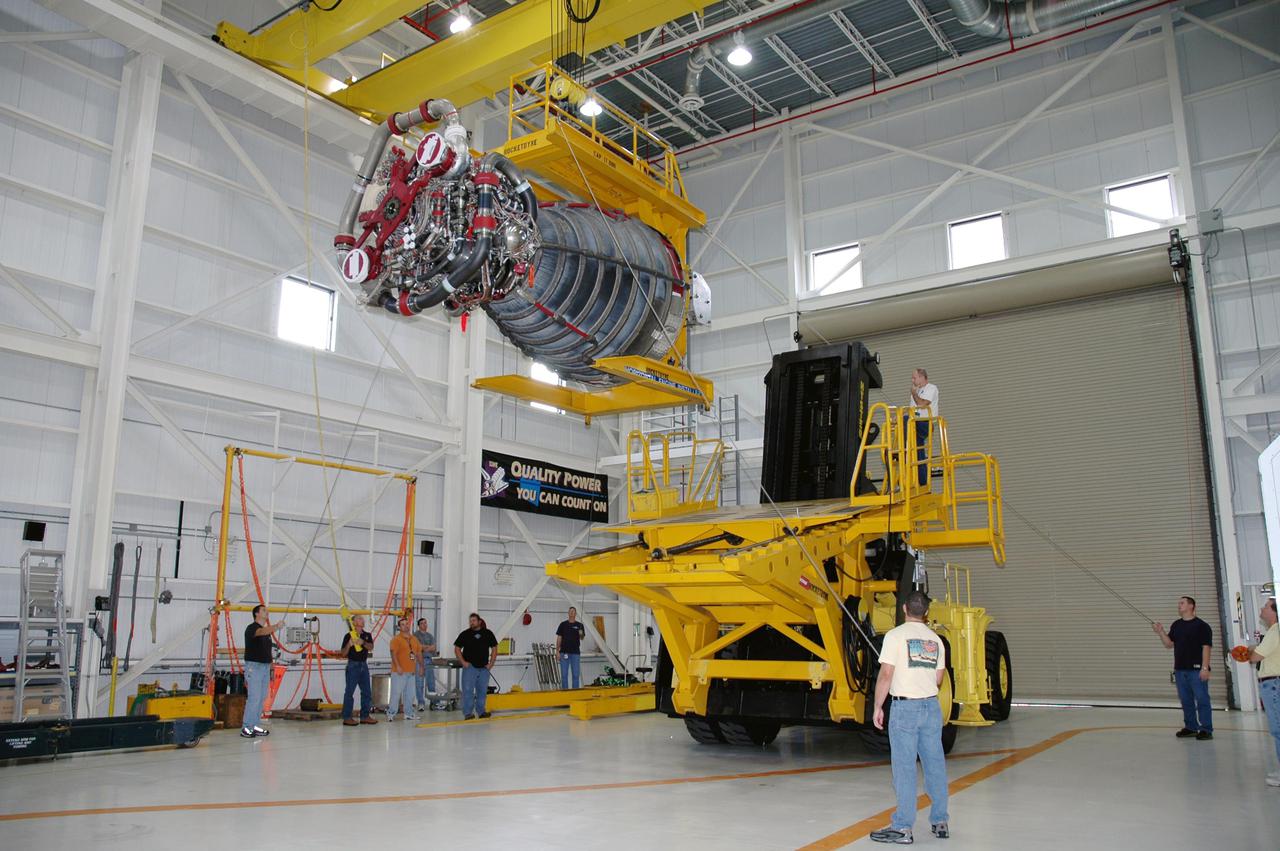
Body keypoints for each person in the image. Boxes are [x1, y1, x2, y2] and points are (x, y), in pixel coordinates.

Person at [870, 590, 950, 845]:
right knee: (934, 764)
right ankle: (940, 821)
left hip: (905, 709)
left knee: (904, 768)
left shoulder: (895, 636)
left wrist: (877, 707)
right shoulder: (935, 640)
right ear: (926, 613)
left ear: (904, 608)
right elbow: (938, 679)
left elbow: (885, 675)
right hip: (930, 708)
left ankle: (903, 827)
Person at [1152, 596, 1214, 740]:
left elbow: (1206, 647)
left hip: (1197, 670)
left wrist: (1205, 667)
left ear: (1191, 606)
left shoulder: (1202, 626)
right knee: (1186, 700)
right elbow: (1169, 644)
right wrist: (1161, 631)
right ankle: (1191, 727)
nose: (1179, 605)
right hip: (1180, 669)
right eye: (1179, 603)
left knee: (1202, 699)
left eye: (1182, 603)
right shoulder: (1176, 625)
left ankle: (1206, 729)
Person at [1238, 596, 1278, 787]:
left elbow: (1255, 657)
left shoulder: (1275, 631)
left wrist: (1249, 653)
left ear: (1274, 612)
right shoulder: (1271, 632)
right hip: (1271, 684)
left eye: (1265, 606)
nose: (1262, 609)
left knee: (1278, 729)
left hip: (1274, 685)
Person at [241, 604, 284, 739]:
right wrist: (276, 627)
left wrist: (271, 667)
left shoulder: (267, 634)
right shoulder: (252, 628)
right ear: (256, 614)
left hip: (265, 668)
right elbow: (260, 632)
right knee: (254, 698)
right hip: (254, 668)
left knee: (261, 698)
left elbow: (267, 651)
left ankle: (254, 725)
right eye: (264, 610)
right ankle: (246, 728)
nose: (267, 612)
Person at [454, 612, 497, 720]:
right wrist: (463, 662)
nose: (471, 623)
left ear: (479, 622)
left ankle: (481, 712)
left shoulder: (488, 633)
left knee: (482, 691)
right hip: (470, 668)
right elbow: (457, 649)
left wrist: (491, 663)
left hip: (484, 668)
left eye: (473, 621)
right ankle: (468, 713)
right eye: (470, 621)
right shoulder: (465, 634)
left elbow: (495, 648)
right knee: (468, 691)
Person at [337, 615, 377, 727]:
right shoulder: (348, 636)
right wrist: (349, 645)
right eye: (359, 619)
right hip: (352, 666)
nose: (362, 620)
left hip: (364, 666)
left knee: (367, 692)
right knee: (349, 692)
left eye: (362, 619)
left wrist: (362, 642)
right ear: (353, 622)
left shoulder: (367, 635)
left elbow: (371, 647)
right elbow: (343, 653)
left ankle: (365, 716)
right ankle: (347, 717)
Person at [905, 368, 939, 487]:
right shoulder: (916, 391)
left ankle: (904, 448)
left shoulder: (931, 388)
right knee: (918, 450)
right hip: (915, 422)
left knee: (905, 420)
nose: (912, 380)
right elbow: (912, 410)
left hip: (925, 423)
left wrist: (914, 393)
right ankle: (922, 480)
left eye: (914, 378)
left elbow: (922, 404)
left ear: (922, 377)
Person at [387, 617, 422, 722]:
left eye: (407, 624)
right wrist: (397, 666)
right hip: (399, 672)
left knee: (410, 694)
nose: (405, 626)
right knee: (396, 693)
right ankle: (391, 713)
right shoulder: (396, 639)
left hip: (411, 672)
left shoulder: (414, 639)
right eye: (402, 624)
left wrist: (421, 667)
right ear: (399, 627)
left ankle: (409, 713)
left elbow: (419, 653)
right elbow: (393, 653)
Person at [556, 607, 587, 689]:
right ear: (568, 613)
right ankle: (565, 694)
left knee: (576, 675)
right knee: (564, 675)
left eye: (573, 611)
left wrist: (581, 633)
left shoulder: (580, 625)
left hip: (575, 653)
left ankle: (575, 694)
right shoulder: (563, 624)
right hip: (564, 653)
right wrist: (557, 651)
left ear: (575, 614)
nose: (572, 613)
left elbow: (582, 638)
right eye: (570, 611)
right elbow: (559, 638)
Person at [413, 617, 438, 711]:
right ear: (419, 625)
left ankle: (434, 702)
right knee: (419, 683)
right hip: (419, 661)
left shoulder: (430, 636)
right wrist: (427, 647)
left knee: (431, 683)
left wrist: (424, 648)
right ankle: (421, 703)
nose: (425, 625)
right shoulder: (415, 635)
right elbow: (418, 648)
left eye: (426, 623)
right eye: (423, 623)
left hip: (429, 660)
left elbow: (434, 648)